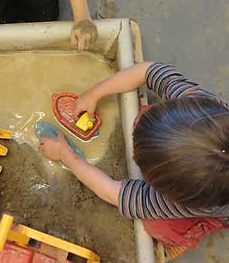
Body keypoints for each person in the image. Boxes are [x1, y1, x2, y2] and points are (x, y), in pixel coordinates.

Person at [39, 62, 229, 257]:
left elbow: (112, 193)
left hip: (217, 211)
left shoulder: (177, 204)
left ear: (168, 191)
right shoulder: (201, 106)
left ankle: (189, 234)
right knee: (145, 120)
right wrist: (95, 93)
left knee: (157, 226)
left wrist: (66, 155)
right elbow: (147, 71)